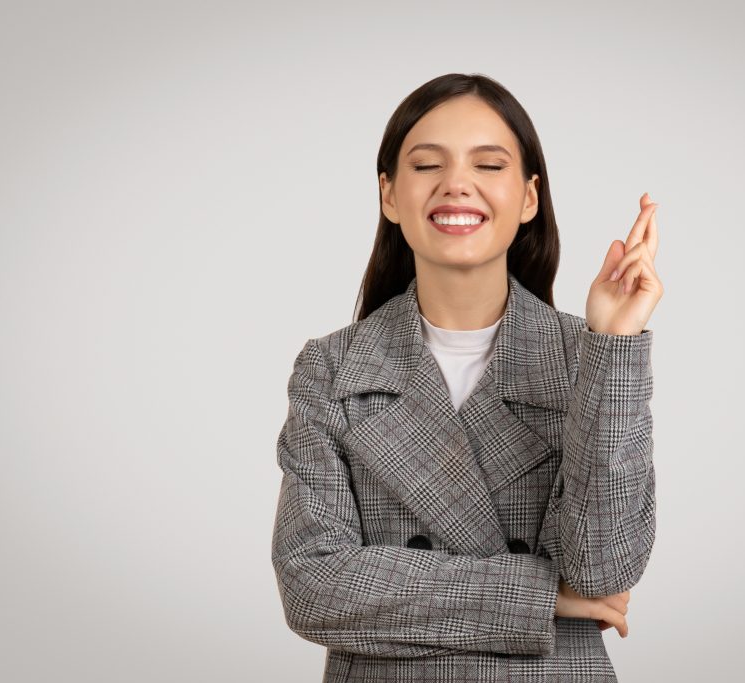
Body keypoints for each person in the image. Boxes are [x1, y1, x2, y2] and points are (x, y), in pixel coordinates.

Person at [271, 72, 663, 682]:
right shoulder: (331, 368)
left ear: (529, 197)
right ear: (390, 195)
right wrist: (538, 596)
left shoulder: (586, 356)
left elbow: (600, 570)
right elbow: (313, 587)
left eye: (489, 165)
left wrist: (613, 344)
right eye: (427, 165)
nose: (457, 185)